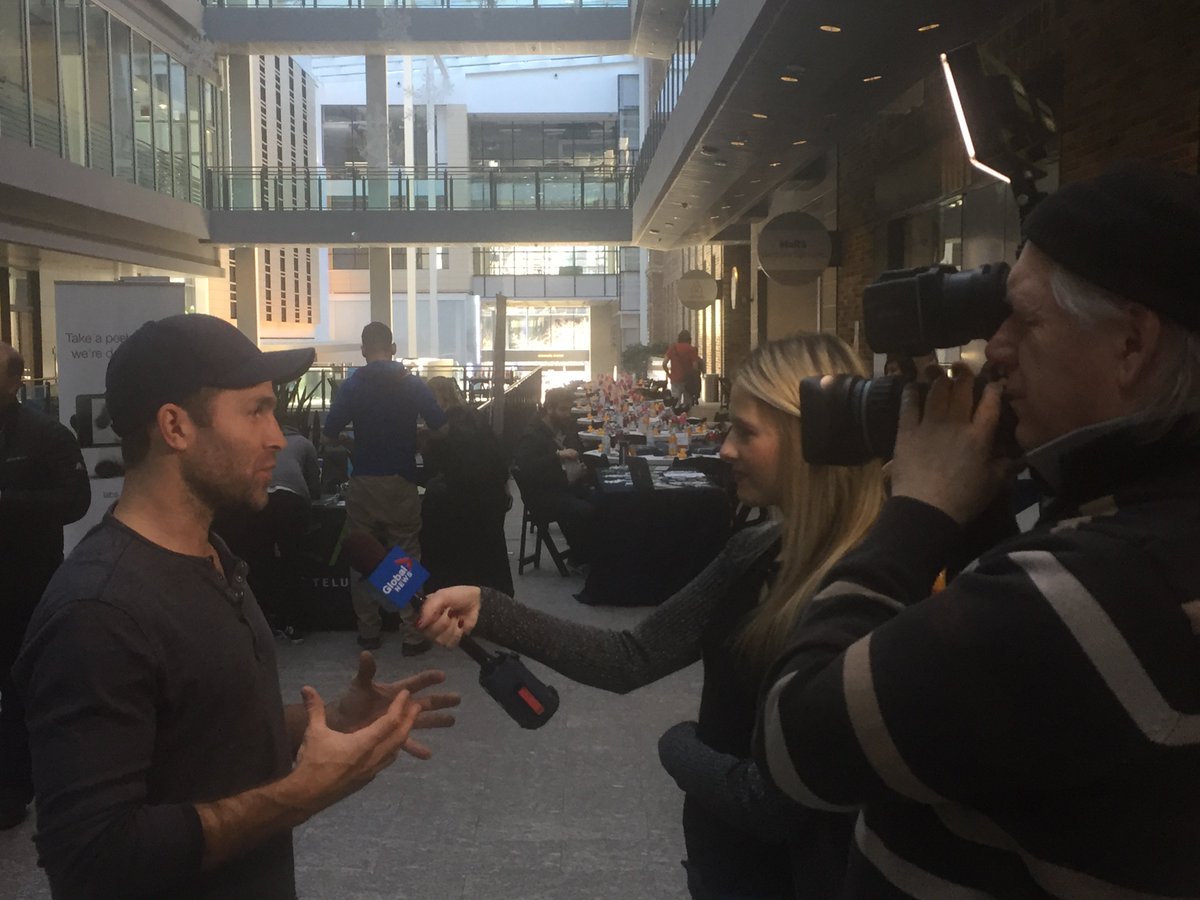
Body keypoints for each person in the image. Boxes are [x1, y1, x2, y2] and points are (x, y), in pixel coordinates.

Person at [757, 162, 1200, 897]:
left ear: (1132, 344)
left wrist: (919, 509)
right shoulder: (1143, 540)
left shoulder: (1102, 592)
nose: (993, 349)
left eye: (1024, 320)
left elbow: (794, 741)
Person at [419, 334, 886, 900]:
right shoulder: (757, 548)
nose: (726, 449)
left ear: (809, 437)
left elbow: (776, 802)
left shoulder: (873, 585)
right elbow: (630, 657)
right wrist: (488, 607)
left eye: (745, 431)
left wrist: (679, 745)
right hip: (724, 861)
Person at [14, 314, 458, 899]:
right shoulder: (98, 613)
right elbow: (93, 857)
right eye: (255, 411)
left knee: (377, 566)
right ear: (174, 426)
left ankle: (382, 624)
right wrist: (303, 792)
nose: (277, 436)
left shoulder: (213, 555)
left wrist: (323, 720)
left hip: (365, 490)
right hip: (397, 487)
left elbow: (200, 730)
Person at [0, 343, 90, 830]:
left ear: (14, 382)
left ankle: (13, 788)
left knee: (20, 687)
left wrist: (7, 503)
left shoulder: (46, 435)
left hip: (25, 584)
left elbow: (76, 500)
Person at [322, 322, 447, 652]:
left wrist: (351, 443)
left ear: (363, 350)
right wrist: (419, 441)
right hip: (401, 480)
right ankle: (412, 633)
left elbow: (328, 435)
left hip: (363, 481)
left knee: (362, 554)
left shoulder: (351, 386)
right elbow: (442, 428)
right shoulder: (411, 383)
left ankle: (368, 631)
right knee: (403, 554)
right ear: (392, 348)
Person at [214, 418, 321, 642]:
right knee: (293, 561)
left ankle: (263, 622)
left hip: (259, 503)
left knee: (260, 562)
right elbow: (313, 484)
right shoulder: (303, 442)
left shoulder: (257, 443)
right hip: (291, 502)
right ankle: (295, 624)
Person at [420, 376, 514, 596]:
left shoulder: (439, 429)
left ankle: (418, 603)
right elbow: (498, 456)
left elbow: (432, 471)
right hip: (488, 501)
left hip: (456, 504)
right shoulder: (476, 416)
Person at [511, 386, 595, 566]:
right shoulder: (532, 435)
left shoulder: (563, 427)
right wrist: (557, 456)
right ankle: (581, 556)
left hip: (565, 486)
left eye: (568, 409)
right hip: (544, 494)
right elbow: (527, 467)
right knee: (584, 511)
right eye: (562, 409)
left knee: (602, 501)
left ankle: (589, 553)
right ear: (549, 408)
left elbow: (576, 449)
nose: (567, 414)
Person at [664, 330, 702, 409]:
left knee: (674, 405)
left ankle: (675, 419)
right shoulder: (692, 349)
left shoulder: (673, 348)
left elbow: (664, 364)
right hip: (687, 381)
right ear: (689, 339)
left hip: (675, 380)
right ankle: (685, 419)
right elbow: (695, 367)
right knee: (687, 406)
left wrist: (669, 375)